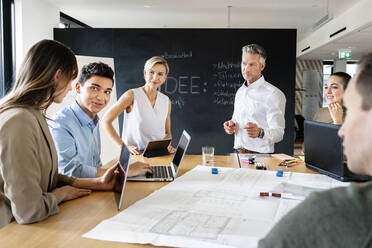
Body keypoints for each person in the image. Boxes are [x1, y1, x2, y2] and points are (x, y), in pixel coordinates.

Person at [0, 40, 124, 229]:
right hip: (13, 232)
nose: (69, 88)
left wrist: (96, 182)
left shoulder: (35, 115)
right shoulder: (19, 121)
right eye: (70, 79)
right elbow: (29, 210)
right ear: (58, 75)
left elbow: (47, 176)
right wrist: (61, 194)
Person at [258, 54, 372, 248]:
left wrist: (338, 121)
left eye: (353, 111)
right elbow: (310, 146)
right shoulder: (321, 112)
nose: (343, 132)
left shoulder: (335, 210)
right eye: (326, 86)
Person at [49, 62, 152, 178]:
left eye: (107, 92)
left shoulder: (93, 119)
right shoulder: (61, 123)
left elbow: (96, 165)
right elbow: (69, 171)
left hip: (94, 188)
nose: (101, 97)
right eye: (94, 88)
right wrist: (122, 172)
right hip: (74, 193)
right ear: (78, 88)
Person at [102, 56, 174, 155]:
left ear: (165, 77)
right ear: (145, 73)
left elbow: (167, 133)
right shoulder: (131, 95)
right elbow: (105, 121)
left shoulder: (166, 101)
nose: (155, 78)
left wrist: (167, 145)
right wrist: (123, 146)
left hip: (159, 154)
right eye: (151, 72)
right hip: (136, 155)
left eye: (160, 74)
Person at [223, 44, 286, 153]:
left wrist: (260, 132)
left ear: (262, 66)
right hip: (237, 152)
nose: (246, 69)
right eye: (244, 63)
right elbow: (236, 118)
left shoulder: (274, 94)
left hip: (260, 156)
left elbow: (279, 133)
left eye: (252, 64)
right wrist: (231, 124)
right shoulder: (240, 91)